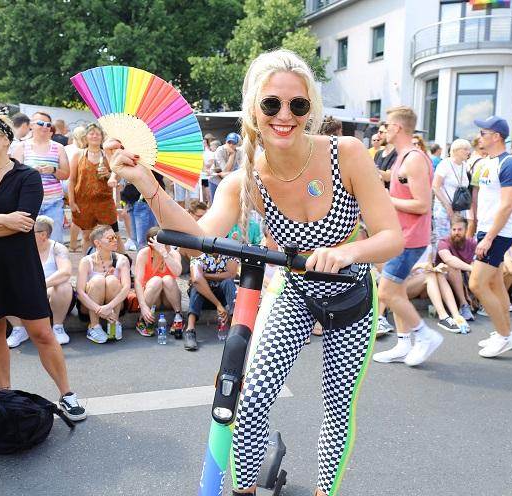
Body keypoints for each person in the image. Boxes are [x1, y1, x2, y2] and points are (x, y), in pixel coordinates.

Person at [106, 48, 402, 496]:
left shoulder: (348, 153)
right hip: (294, 288)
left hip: (349, 293)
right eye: (271, 104)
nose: (284, 115)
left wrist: (347, 253)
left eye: (297, 105)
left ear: (310, 110)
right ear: (253, 109)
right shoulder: (246, 178)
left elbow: (391, 237)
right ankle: (245, 490)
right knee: (251, 396)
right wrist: (148, 185)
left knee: (338, 406)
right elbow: (197, 235)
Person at [0, 108, 85, 421]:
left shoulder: (28, 176)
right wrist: (0, 219)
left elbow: (23, 224)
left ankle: (67, 393)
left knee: (42, 332)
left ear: (4, 139)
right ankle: (5, 395)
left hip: (20, 265)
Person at [373, 105, 442, 367]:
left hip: (410, 238)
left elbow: (423, 204)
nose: (384, 130)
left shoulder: (413, 158)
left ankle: (425, 335)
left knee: (387, 292)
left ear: (397, 128)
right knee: (398, 291)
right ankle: (404, 344)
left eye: (387, 126)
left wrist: (387, 200)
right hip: (401, 235)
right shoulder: (402, 156)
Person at [468, 115, 512, 358]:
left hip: (498, 233)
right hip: (488, 229)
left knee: (477, 283)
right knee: (495, 283)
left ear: (496, 136)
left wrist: (489, 237)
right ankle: (505, 331)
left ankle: (504, 336)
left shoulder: (509, 163)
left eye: (484, 132)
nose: (480, 136)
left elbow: (507, 205)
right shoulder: (487, 161)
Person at [12, 112, 70, 243]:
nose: (44, 126)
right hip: (28, 202)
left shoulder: (58, 147)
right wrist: (30, 172)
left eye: (48, 124)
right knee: (26, 242)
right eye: (40, 123)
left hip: (54, 202)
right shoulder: (22, 146)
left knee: (54, 242)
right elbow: (13, 175)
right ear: (31, 125)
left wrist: (53, 170)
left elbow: (66, 174)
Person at [68, 123, 121, 253]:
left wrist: (109, 175)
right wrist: (72, 201)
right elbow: (72, 179)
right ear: (86, 137)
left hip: (104, 202)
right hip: (84, 202)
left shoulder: (108, 156)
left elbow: (117, 177)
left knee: (114, 236)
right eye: (91, 133)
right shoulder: (78, 155)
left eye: (98, 133)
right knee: (86, 236)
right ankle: (86, 266)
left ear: (102, 137)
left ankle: (124, 264)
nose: (95, 136)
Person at [75, 225, 131, 344]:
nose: (115, 240)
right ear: (98, 243)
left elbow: (126, 288)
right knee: (98, 280)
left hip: (115, 305)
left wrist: (108, 307)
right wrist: (99, 309)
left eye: (115, 237)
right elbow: (79, 291)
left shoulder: (122, 259)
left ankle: (114, 322)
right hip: (90, 306)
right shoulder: (86, 261)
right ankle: (94, 326)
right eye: (110, 238)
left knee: (112, 280)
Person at [133, 226, 184, 338]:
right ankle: (142, 320)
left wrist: (164, 254)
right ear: (152, 244)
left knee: (167, 279)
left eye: (169, 243)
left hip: (169, 298)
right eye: (164, 244)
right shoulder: (143, 254)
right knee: (156, 280)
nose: (168, 246)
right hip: (152, 297)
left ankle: (178, 317)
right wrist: (143, 306)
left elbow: (177, 272)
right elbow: (137, 281)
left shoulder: (173, 254)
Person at [185, 251, 239, 351]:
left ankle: (237, 327)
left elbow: (231, 274)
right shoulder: (197, 253)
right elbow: (196, 279)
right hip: (203, 298)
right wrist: (218, 304)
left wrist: (204, 275)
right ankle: (190, 330)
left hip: (221, 296)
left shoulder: (230, 251)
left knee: (228, 283)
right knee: (196, 286)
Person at [33, 215, 73, 344]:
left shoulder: (57, 248)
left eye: (29, 232)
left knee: (64, 286)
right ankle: (19, 329)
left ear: (43, 235)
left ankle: (58, 327)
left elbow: (66, 272)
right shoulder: (24, 249)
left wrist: (41, 286)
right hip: (30, 296)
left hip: (53, 296)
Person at [436, 216, 478, 321]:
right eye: (454, 229)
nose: (456, 232)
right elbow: (448, 259)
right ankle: (464, 305)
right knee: (452, 266)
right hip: (444, 280)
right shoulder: (443, 242)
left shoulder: (472, 243)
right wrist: (471, 268)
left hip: (464, 279)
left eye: (460, 229)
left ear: (466, 230)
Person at [432, 138, 471, 243]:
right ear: (456, 150)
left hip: (460, 209)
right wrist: (447, 206)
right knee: (443, 239)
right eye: (465, 149)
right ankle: (439, 259)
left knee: (457, 240)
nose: (468, 152)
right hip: (444, 208)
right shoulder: (444, 164)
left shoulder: (464, 165)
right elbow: (435, 186)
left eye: (469, 149)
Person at [210, 132, 244, 200]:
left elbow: (241, 170)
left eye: (233, 143)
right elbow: (225, 170)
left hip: (229, 179)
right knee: (215, 202)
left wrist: (228, 174)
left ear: (237, 144)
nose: (231, 145)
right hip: (215, 179)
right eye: (229, 142)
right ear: (226, 142)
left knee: (229, 201)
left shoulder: (239, 151)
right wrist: (232, 155)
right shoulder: (220, 150)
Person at [374, 122, 397, 189]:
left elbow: (389, 176)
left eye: (381, 132)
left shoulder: (397, 153)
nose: (378, 135)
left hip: (390, 196)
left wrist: (370, 168)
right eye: (378, 132)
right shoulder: (378, 153)